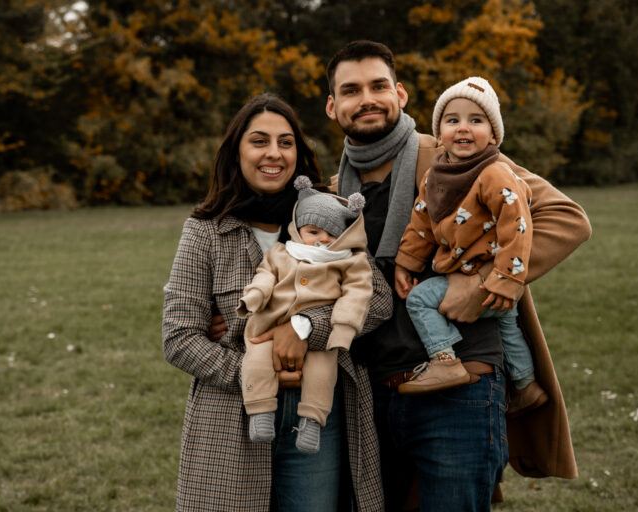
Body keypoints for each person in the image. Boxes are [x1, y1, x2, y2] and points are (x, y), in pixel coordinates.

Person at [324, 40, 591, 511]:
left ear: (400, 94)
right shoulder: (336, 192)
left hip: (462, 388)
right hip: (373, 396)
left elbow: (564, 217)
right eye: (351, 90)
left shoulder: (450, 159)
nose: (366, 98)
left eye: (378, 86)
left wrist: (485, 280)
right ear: (333, 106)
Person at [162, 93, 391, 512]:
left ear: (298, 154)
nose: (274, 153)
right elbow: (179, 337)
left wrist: (305, 327)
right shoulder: (206, 231)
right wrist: (259, 372)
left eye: (286, 142)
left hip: (320, 418)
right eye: (259, 141)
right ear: (237, 151)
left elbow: (376, 300)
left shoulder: (327, 216)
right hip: (230, 419)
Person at [393, 76, 548, 418]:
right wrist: (406, 262)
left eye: (476, 120)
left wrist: (506, 278)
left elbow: (517, 226)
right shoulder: (435, 177)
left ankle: (445, 360)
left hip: (485, 278)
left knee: (419, 300)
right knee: (508, 330)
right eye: (453, 120)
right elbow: (421, 224)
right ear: (440, 133)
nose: (463, 128)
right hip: (499, 290)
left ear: (493, 135)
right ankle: (525, 385)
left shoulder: (494, 173)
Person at [238, 175, 371, 455]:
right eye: (314, 232)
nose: (322, 239)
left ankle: (312, 421)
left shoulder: (349, 260)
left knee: (322, 374)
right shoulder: (281, 253)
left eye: (331, 234)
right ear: (298, 230)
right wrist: (254, 297)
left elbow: (359, 293)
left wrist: (344, 325)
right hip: (269, 325)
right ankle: (260, 411)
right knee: (257, 360)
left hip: (321, 338)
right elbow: (265, 276)